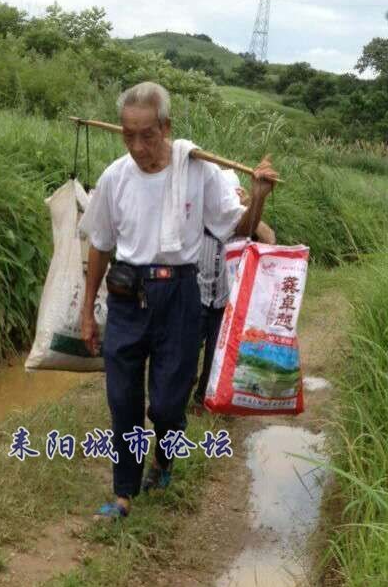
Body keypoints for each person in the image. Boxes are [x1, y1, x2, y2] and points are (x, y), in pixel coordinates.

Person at [78, 81, 280, 521]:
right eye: (127, 134)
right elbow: (100, 244)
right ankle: (123, 494)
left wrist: (259, 196)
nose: (137, 145)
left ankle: (164, 459)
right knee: (122, 400)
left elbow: (239, 227)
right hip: (128, 295)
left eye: (147, 134)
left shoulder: (198, 170)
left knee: (168, 404)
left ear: (166, 127)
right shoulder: (115, 177)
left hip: (180, 297)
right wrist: (87, 310)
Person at [192, 179, 276, 415]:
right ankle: (180, 394)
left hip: (225, 302)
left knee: (216, 357)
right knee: (187, 353)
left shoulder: (242, 225)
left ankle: (203, 400)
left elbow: (270, 238)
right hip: (197, 299)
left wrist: (250, 204)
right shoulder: (199, 219)